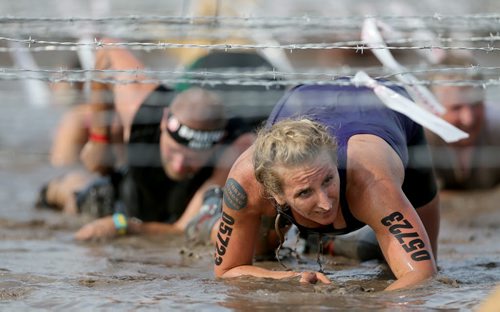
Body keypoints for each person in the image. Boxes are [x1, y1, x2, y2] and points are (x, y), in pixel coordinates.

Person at [212, 81, 440, 291]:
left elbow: (422, 276)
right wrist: (289, 277)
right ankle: (211, 213)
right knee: (263, 253)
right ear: (275, 194)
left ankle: (357, 239)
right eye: (305, 192)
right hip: (306, 95)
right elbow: (227, 271)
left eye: (328, 180)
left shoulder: (373, 182)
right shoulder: (246, 183)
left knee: (417, 264)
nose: (325, 202)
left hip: (386, 103)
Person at [73, 39, 283, 240]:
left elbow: (183, 229)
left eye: (192, 158)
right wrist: (99, 139)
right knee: (76, 195)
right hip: (130, 195)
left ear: (216, 144)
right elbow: (106, 50)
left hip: (172, 211)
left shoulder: (236, 148)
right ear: (164, 123)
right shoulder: (145, 106)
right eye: (173, 152)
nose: (179, 165)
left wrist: (124, 225)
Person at [427, 53, 500, 190]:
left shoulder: (497, 130)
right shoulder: (417, 138)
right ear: (432, 108)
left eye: (476, 104)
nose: (468, 119)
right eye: (456, 108)